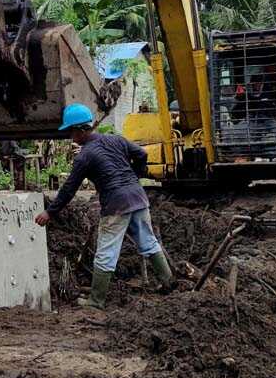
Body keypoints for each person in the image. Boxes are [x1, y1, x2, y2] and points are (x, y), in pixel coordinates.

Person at [35, 102, 173, 308]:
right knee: (148, 242)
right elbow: (142, 154)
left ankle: (96, 300)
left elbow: (69, 188)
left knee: (106, 252)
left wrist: (50, 212)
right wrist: (135, 175)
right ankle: (168, 282)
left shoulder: (85, 156)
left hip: (116, 204)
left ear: (81, 130)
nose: (71, 137)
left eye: (71, 132)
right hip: (138, 197)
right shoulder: (116, 140)